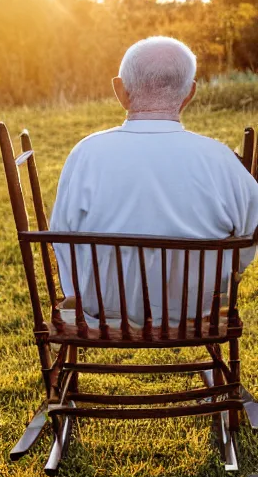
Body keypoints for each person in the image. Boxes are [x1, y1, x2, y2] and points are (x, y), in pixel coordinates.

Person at [49, 36, 258, 327]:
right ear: (190, 94)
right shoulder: (221, 159)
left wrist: (79, 292)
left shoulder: (86, 153)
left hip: (104, 313)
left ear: (120, 90)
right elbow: (248, 238)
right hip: (196, 312)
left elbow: (62, 236)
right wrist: (217, 277)